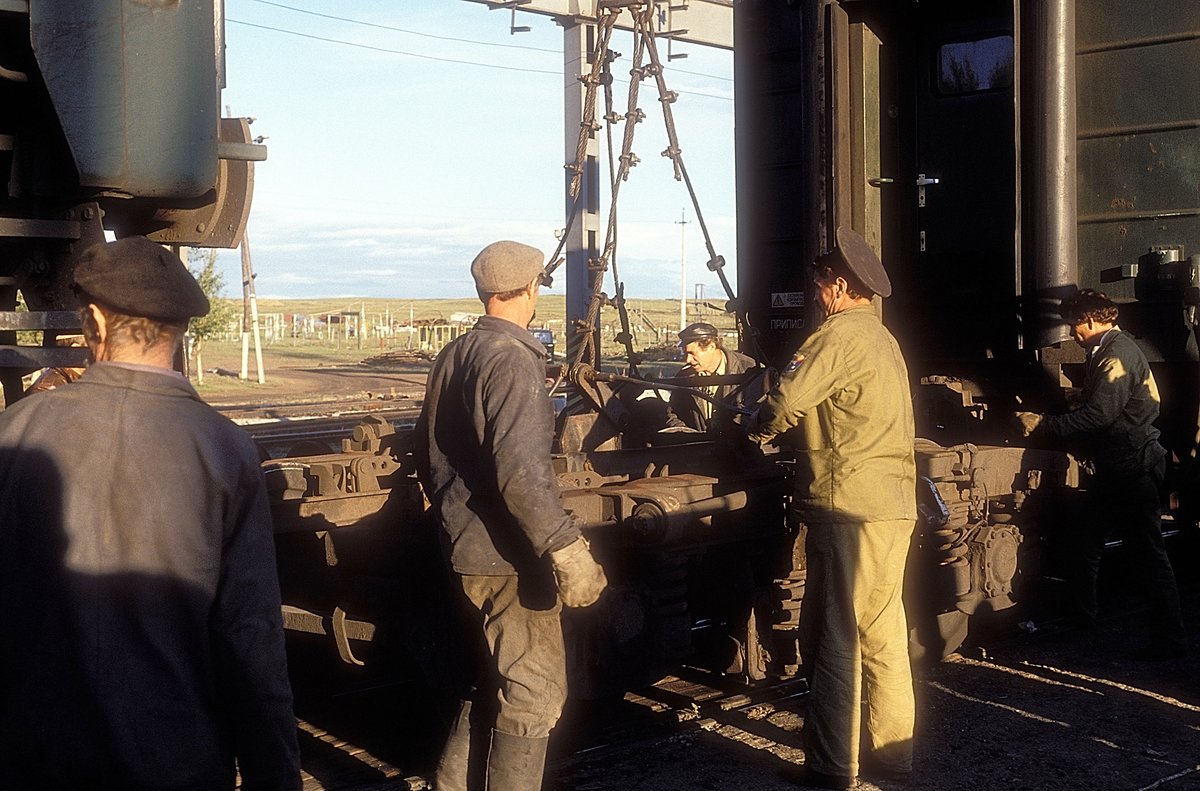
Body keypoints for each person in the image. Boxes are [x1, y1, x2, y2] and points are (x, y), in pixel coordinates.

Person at [0, 236, 301, 790]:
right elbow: (250, 641)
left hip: (32, 759)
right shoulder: (228, 449)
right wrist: (274, 779)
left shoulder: (15, 433)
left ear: (92, 320)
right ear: (180, 332)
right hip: (174, 763)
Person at [416, 240, 608, 791]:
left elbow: (425, 451)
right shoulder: (512, 359)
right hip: (509, 559)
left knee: (488, 680)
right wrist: (566, 549)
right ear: (530, 289)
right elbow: (522, 475)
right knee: (533, 693)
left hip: (465, 549)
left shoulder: (455, 353)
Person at [746, 227, 916, 789]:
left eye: (820, 286)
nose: (817, 296)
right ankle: (894, 756)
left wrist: (750, 429)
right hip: (892, 505)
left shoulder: (836, 336)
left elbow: (785, 401)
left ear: (839, 286)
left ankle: (830, 767)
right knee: (884, 632)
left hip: (849, 509)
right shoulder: (883, 339)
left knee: (836, 637)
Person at [1014, 288, 1186, 659]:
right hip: (1118, 467)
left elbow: (1100, 416)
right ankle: (1082, 621)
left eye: (1074, 325)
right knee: (1085, 542)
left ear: (1090, 321)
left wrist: (1044, 424)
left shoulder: (1115, 356)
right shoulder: (1107, 351)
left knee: (1147, 554)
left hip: (1134, 468)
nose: (1072, 333)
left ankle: (1171, 640)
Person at [665, 322, 765, 433]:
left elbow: (762, 417)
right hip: (700, 448)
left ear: (711, 346)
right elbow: (674, 413)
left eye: (692, 353)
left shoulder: (750, 370)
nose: (687, 360)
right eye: (685, 353)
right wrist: (686, 435)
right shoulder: (685, 376)